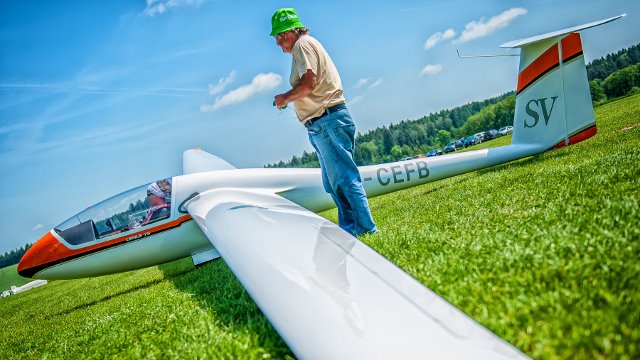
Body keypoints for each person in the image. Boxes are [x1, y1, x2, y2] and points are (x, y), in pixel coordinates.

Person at [271, 8, 376, 236]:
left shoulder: (302, 45)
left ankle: (366, 230)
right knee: (334, 183)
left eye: (280, 36)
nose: (279, 43)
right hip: (324, 122)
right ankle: (350, 230)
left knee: (345, 180)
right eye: (276, 38)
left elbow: (309, 83)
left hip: (328, 120)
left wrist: (285, 98)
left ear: (291, 31)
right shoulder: (305, 45)